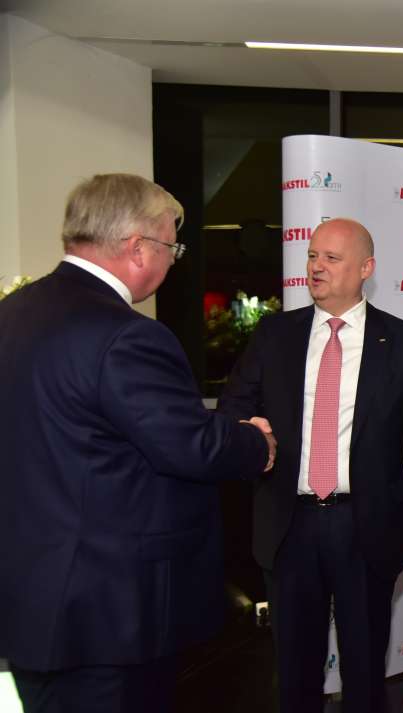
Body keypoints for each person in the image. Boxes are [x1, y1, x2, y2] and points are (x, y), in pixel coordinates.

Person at [0, 173, 276, 713]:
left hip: (31, 602)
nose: (173, 261)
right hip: (109, 615)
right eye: (173, 246)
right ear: (137, 248)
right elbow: (191, 445)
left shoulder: (13, 314)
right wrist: (254, 441)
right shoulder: (126, 334)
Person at [219, 217, 403, 713]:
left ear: (366, 268)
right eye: (312, 256)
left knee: (365, 672)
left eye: (331, 258)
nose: (316, 267)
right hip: (287, 524)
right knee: (294, 673)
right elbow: (234, 407)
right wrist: (253, 428)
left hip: (367, 526)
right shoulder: (275, 333)